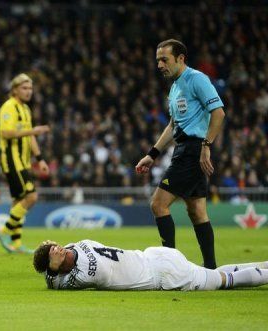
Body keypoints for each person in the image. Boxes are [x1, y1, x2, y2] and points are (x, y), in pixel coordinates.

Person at [135, 39, 225, 269]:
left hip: (193, 151)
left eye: (164, 59)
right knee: (196, 211)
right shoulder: (175, 87)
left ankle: (169, 267)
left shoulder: (197, 79)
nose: (160, 65)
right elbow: (173, 126)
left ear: (180, 58)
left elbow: (218, 113)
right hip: (183, 148)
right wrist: (152, 154)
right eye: (157, 61)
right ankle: (211, 268)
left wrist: (206, 145)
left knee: (158, 204)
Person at [33, 239, 268, 291]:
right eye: (52, 251)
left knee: (225, 282)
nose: (57, 248)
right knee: (215, 274)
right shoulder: (80, 244)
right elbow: (56, 281)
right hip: (157, 257)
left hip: (164, 274)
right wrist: (53, 267)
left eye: (54, 245)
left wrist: (52, 268)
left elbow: (56, 283)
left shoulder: (86, 274)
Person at [0, 73, 50, 253]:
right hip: (12, 160)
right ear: (15, 89)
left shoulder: (26, 109)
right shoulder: (8, 107)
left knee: (19, 200)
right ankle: (4, 231)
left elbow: (30, 136)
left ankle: (15, 243)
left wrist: (40, 158)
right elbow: (6, 132)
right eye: (25, 88)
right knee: (31, 197)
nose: (29, 92)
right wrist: (32, 130)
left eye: (30, 88)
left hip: (24, 161)